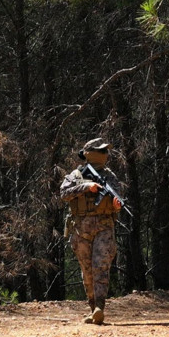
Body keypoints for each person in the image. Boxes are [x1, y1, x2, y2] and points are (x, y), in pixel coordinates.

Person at [60, 138, 123, 324]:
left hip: (104, 227)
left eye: (105, 151)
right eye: (100, 151)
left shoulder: (110, 176)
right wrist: (86, 187)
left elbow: (118, 198)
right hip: (81, 229)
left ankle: (99, 308)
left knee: (101, 266)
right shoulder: (76, 175)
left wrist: (117, 205)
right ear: (88, 153)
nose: (105, 155)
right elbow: (64, 194)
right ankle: (92, 308)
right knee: (87, 270)